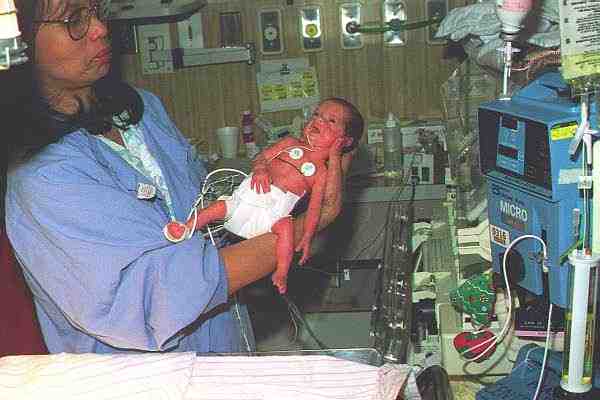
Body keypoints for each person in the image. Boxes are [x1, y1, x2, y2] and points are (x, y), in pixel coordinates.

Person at [3, 0, 357, 354]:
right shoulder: (43, 176)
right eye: (75, 20)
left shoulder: (142, 112)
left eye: (98, 10)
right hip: (145, 375)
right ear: (19, 40)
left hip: (221, 349)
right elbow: (158, 300)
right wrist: (313, 221)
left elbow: (212, 234)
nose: (100, 29)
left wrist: (272, 196)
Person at [163, 98, 364, 294]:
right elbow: (262, 157)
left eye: (331, 120)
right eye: (316, 114)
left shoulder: (321, 173)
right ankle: (186, 227)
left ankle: (281, 272)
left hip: (271, 216)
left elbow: (315, 209)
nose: (318, 120)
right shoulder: (289, 143)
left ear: (344, 141)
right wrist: (260, 170)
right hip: (248, 199)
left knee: (286, 229)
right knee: (216, 208)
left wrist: (308, 236)